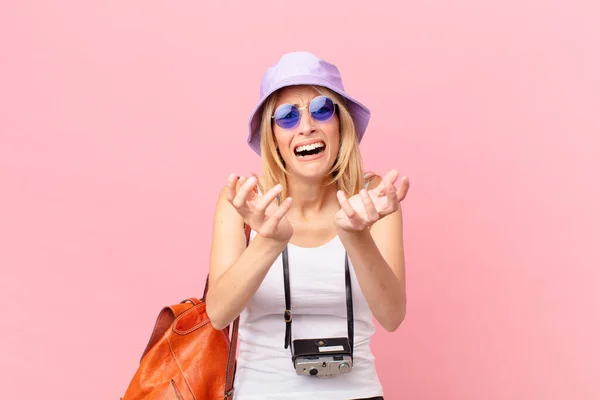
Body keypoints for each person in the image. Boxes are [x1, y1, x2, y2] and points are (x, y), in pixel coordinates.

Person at [206, 51, 409, 400]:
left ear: (341, 123)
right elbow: (219, 314)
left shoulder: (373, 199)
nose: (305, 126)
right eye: (286, 116)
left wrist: (356, 236)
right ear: (272, 136)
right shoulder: (244, 200)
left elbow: (391, 317)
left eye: (321, 109)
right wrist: (269, 241)